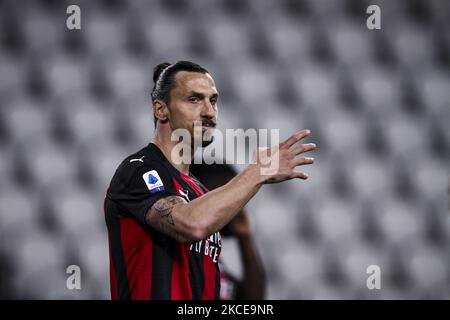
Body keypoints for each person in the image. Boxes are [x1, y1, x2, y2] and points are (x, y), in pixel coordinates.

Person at [104, 60, 316, 300]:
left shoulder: (199, 191)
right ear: (161, 109)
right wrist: (258, 171)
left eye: (212, 100)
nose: (209, 112)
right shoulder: (138, 171)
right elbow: (191, 225)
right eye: (193, 99)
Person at [190, 163, 266, 300]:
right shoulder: (182, 253)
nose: (237, 204)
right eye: (230, 196)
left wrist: (245, 237)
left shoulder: (213, 257)